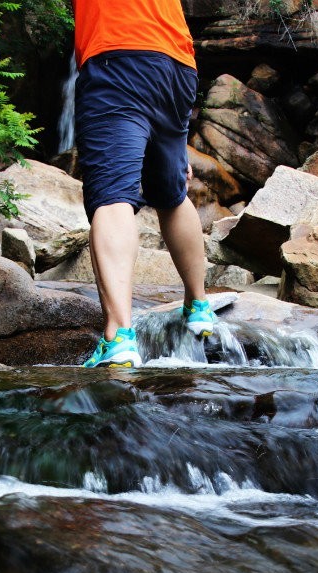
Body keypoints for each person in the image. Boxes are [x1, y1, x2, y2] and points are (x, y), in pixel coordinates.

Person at [74, 0, 217, 368]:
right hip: (176, 64)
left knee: (112, 197)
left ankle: (119, 336)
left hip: (117, 54)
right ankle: (198, 306)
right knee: (171, 193)